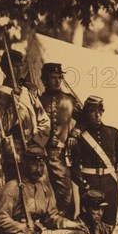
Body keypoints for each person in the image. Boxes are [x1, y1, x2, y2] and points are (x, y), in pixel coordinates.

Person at [0, 50, 50, 181]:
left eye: (20, 65)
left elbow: (44, 120)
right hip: (15, 156)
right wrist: (15, 100)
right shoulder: (0, 94)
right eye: (15, 66)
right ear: (5, 68)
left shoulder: (27, 91)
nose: (19, 69)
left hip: (34, 153)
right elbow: (4, 126)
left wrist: (36, 143)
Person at [39, 62, 82, 218]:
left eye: (59, 77)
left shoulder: (69, 100)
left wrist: (74, 133)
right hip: (40, 157)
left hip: (60, 156)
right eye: (53, 78)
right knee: (42, 196)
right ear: (44, 80)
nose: (57, 81)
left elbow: (83, 119)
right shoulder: (37, 100)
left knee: (66, 197)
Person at [71, 96, 118, 225]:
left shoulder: (114, 133)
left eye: (100, 112)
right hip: (89, 184)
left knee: (109, 222)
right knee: (89, 224)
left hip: (109, 185)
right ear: (87, 113)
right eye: (93, 112)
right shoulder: (80, 137)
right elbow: (74, 167)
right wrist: (84, 186)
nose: (98, 115)